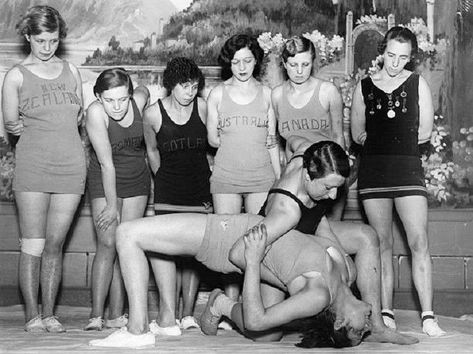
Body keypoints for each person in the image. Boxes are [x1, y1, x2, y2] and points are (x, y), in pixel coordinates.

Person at [89, 140, 417, 348]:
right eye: (329, 188)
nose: (334, 197)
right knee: (127, 233)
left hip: (271, 247)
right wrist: (268, 265)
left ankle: (219, 305)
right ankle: (136, 329)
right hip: (227, 238)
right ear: (307, 176)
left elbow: (302, 151)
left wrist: (305, 261)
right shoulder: (287, 215)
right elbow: (238, 254)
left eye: (338, 189)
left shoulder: (307, 158)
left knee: (269, 334)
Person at [350, 26, 445, 337]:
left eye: (403, 57)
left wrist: (390, 140)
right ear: (383, 52)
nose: (395, 62)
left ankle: (428, 317)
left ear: (411, 57)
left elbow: (425, 132)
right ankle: (386, 311)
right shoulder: (363, 87)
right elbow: (356, 134)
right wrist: (379, 141)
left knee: (419, 241)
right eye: (391, 55)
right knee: (381, 244)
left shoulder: (418, 84)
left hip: (407, 168)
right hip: (374, 171)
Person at [1, 5, 86, 332]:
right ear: (27, 37)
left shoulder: (73, 71)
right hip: (33, 167)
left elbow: (77, 118)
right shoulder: (16, 76)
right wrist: (40, 137)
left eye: (52, 40)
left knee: (55, 245)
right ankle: (32, 316)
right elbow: (12, 124)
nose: (47, 48)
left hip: (70, 167)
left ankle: (50, 314)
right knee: (32, 244)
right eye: (40, 41)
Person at [206, 33, 281, 313]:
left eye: (247, 60)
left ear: (255, 61)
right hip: (226, 177)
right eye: (236, 61)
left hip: (261, 177)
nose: (241, 67)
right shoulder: (217, 94)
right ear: (229, 63)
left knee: (257, 243)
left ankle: (253, 306)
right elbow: (212, 139)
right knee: (228, 243)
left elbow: (272, 142)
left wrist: (278, 180)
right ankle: (229, 305)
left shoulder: (266, 94)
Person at [143, 57, 211, 334]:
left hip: (199, 188)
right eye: (185, 86)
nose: (190, 92)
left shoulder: (203, 107)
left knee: (195, 252)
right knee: (166, 250)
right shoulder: (152, 114)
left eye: (195, 86)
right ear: (171, 85)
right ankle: (168, 313)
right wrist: (163, 179)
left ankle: (188, 314)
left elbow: (210, 148)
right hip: (168, 187)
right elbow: (152, 151)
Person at [83, 68, 150, 331]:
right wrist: (111, 205)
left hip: (137, 179)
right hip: (104, 177)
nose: (117, 106)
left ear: (130, 94)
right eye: (109, 100)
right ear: (99, 97)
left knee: (126, 244)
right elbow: (106, 164)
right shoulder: (95, 113)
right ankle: (96, 315)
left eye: (123, 99)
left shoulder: (140, 99)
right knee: (107, 243)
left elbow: (145, 91)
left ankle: (115, 314)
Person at [272, 35, 346, 220]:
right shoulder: (277, 95)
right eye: (293, 64)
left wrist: (338, 180)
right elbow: (278, 142)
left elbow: (338, 136)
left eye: (305, 65)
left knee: (330, 238)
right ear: (284, 63)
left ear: (312, 62)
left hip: (327, 180)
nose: (299, 71)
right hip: (295, 183)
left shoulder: (328, 92)